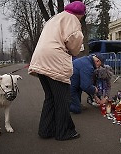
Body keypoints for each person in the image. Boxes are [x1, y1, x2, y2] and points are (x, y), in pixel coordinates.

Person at [28, 1, 86, 141]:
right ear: (81, 14)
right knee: (63, 99)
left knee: (50, 98)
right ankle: (64, 132)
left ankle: (46, 130)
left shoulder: (55, 18)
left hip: (40, 58)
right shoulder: (72, 19)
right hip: (54, 59)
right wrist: (76, 50)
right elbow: (74, 40)